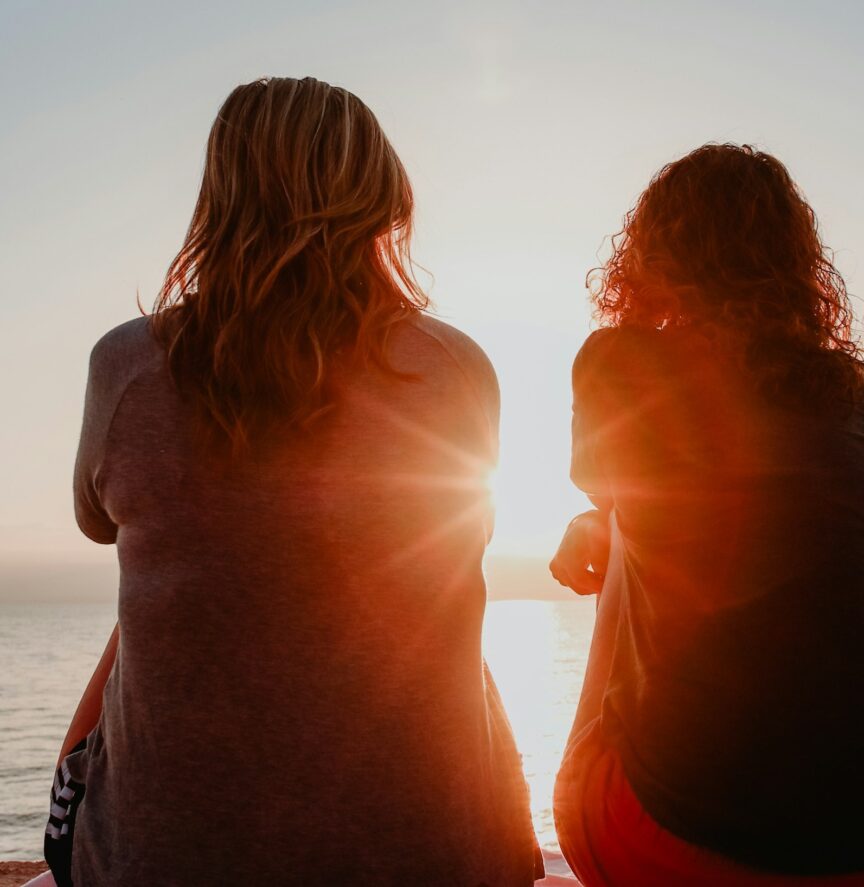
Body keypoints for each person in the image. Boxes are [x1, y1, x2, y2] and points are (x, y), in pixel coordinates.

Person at [45, 77, 541, 887]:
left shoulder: (129, 365)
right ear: (384, 197)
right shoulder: (455, 367)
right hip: (439, 859)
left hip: (159, 861)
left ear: (220, 196)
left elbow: (98, 523)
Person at [549, 144, 864, 886]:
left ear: (651, 254)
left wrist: (606, 523)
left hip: (688, 844)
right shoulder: (863, 395)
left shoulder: (619, 363)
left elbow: (607, 488)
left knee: (623, 527)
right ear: (796, 263)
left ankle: (612, 785)